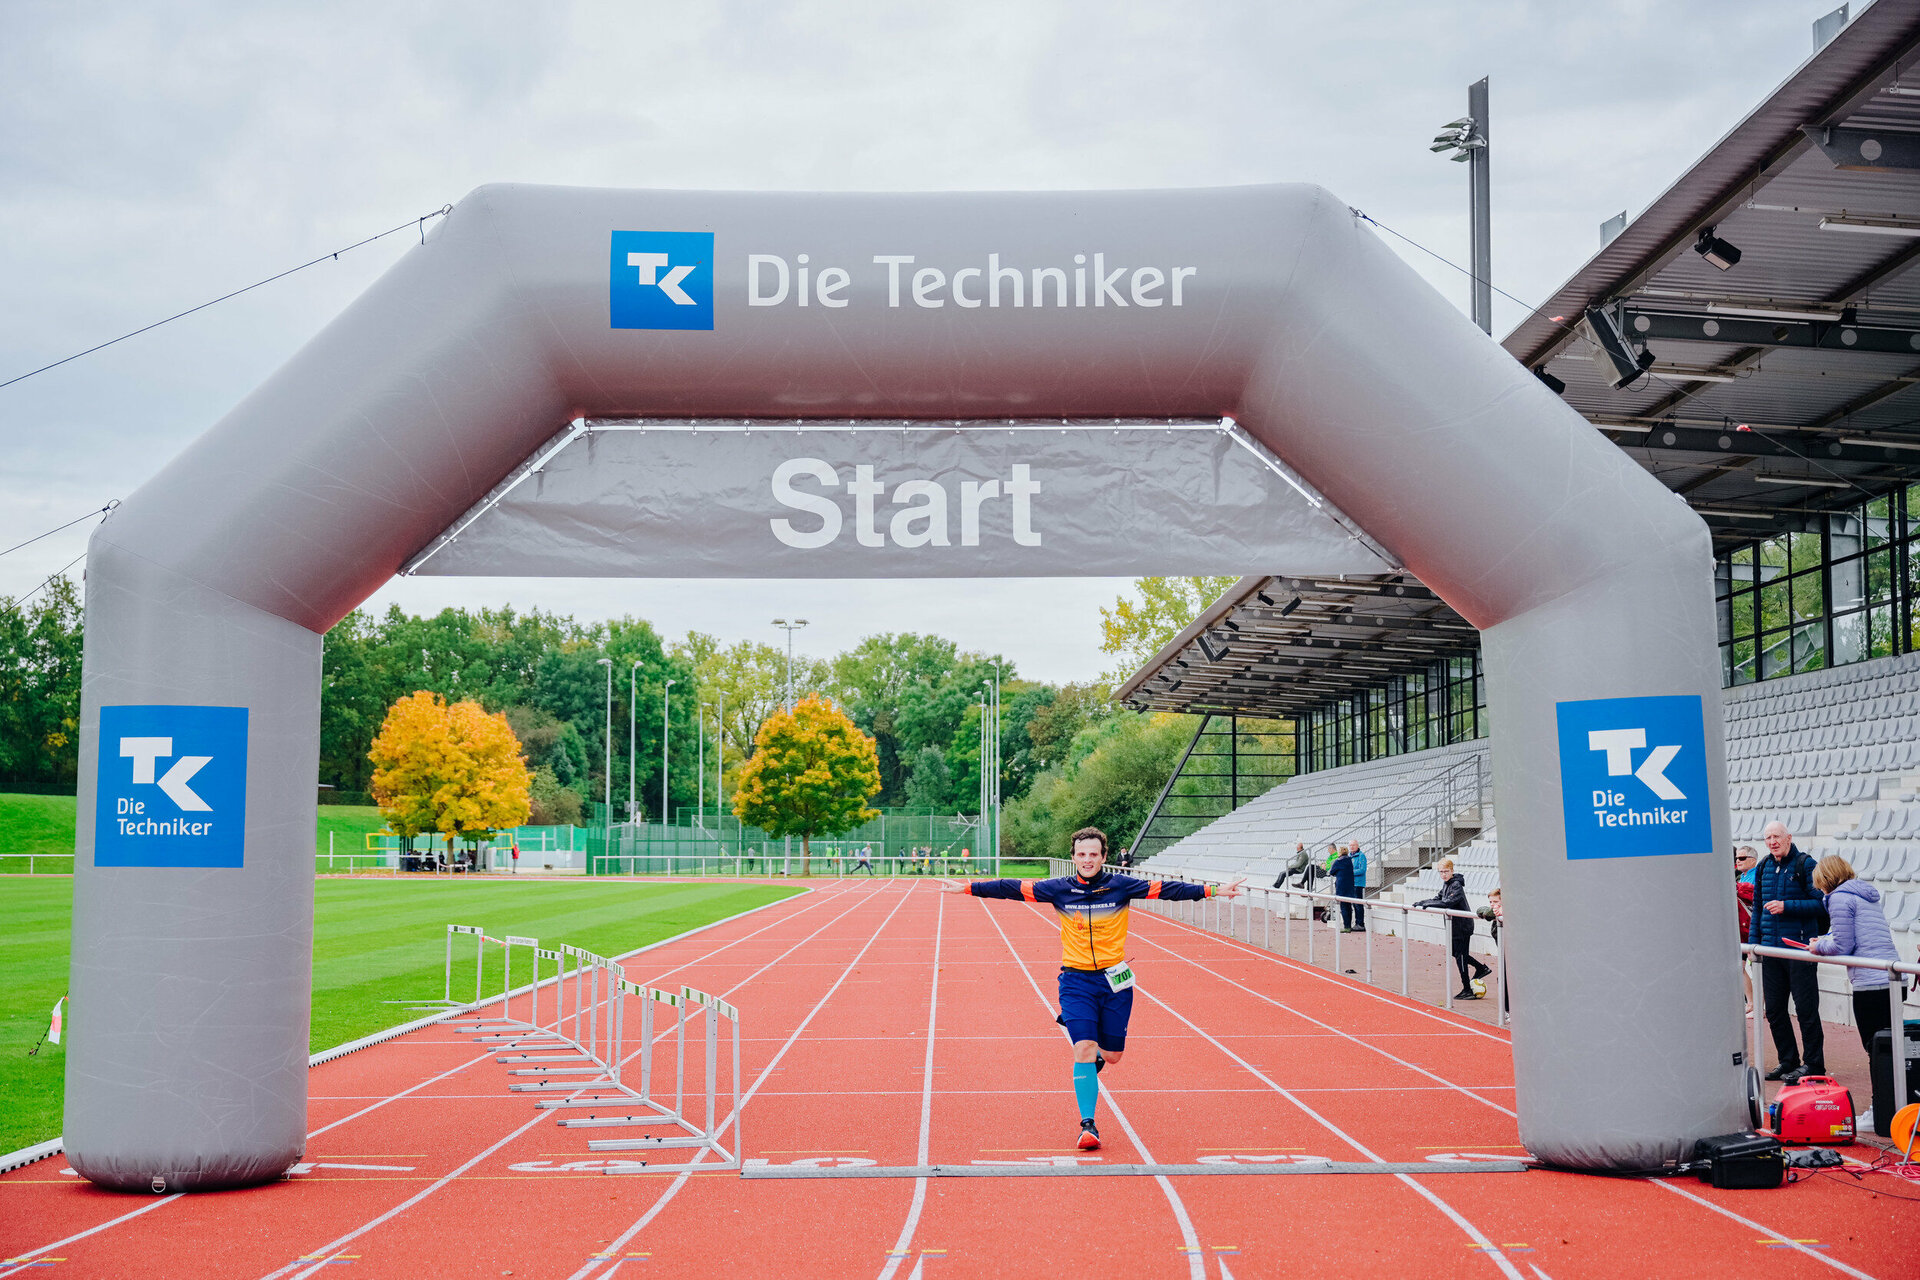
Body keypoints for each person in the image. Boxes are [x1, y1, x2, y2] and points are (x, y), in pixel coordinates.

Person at [941, 826, 1244, 1151]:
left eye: (1093, 854)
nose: (1087, 859)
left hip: (1115, 981)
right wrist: (969, 887)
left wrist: (1213, 891)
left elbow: (1167, 889)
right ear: (1073, 857)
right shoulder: (1058, 889)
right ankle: (1088, 1125)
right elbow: (1011, 887)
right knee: (1083, 1047)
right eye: (1082, 854)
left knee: (1112, 1056)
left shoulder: (1121, 886)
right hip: (1076, 981)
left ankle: (1094, 1052)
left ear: (1103, 857)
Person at [1749, 821, 1825, 1083]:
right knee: (1774, 1011)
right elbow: (1757, 909)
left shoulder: (1806, 864)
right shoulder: (1763, 867)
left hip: (1799, 950)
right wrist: (1754, 946)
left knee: (1806, 1010)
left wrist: (1786, 906)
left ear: (1789, 837)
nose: (1772, 842)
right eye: (1768, 837)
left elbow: (1822, 903)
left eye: (1777, 836)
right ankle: (1788, 1060)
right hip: (1771, 951)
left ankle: (1814, 1064)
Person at [1807, 854, 1900, 1057]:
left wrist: (1818, 946)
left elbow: (1842, 945)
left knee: (1875, 1046)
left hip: (1871, 982)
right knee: (1892, 1046)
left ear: (1825, 879)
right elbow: (1853, 932)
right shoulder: (1863, 894)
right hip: (1892, 977)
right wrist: (1823, 941)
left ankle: (1884, 1080)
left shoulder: (1839, 898)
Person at [1417, 858, 1489, 999]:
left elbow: (1448, 902)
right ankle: (1481, 968)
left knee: (1460, 956)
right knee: (1456, 953)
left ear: (1452, 871)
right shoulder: (1447, 884)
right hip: (1455, 927)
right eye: (1441, 872)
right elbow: (1438, 898)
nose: (1443, 874)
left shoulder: (1456, 885)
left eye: (1446, 871)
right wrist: (1422, 902)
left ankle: (1467, 989)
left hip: (1462, 927)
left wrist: (1429, 904)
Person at [1734, 847, 1758, 1013]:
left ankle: (1756, 1006)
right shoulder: (1741, 876)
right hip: (1742, 930)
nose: (1738, 861)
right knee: (1740, 968)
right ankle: (1751, 1003)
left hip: (1752, 929)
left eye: (1742, 858)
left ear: (1753, 860)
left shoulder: (1757, 877)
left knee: (1756, 969)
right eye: (1737, 858)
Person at [1331, 844, 1358, 932]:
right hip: (1350, 886)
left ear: (1340, 852)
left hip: (1341, 886)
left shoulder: (1338, 861)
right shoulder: (1349, 860)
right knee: (1349, 906)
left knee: (1343, 907)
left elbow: (1331, 872)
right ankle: (1349, 925)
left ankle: (1346, 927)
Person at [1348, 841, 1368, 931]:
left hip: (1358, 883)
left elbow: (1362, 870)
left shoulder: (1361, 856)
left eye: (1353, 845)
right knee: (1354, 904)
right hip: (1351, 883)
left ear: (1357, 846)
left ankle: (1360, 924)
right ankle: (1357, 923)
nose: (1352, 847)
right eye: (1350, 845)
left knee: (1358, 904)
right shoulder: (1349, 856)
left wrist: (1350, 872)